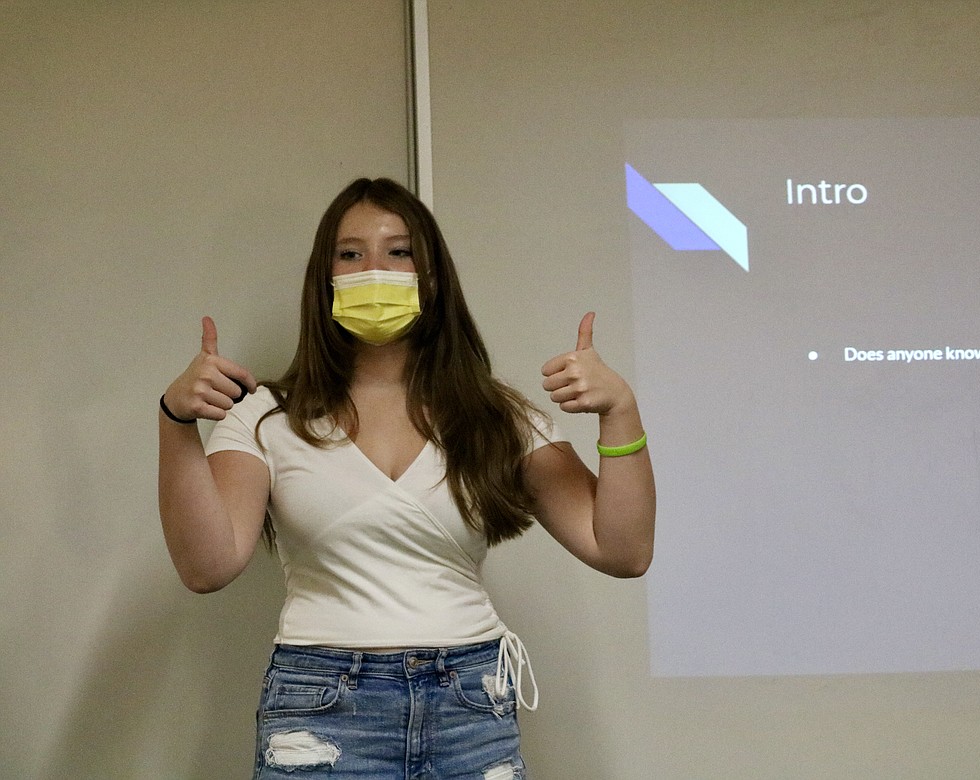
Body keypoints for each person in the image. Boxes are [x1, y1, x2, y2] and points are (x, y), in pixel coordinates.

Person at [157, 177, 655, 779]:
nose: (375, 269)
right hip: (322, 707)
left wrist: (619, 411)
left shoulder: (497, 417)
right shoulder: (267, 416)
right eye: (350, 253)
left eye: (400, 251)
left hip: (471, 706)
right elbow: (206, 567)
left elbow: (623, 551)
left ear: (433, 275)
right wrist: (177, 421)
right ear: (325, 278)